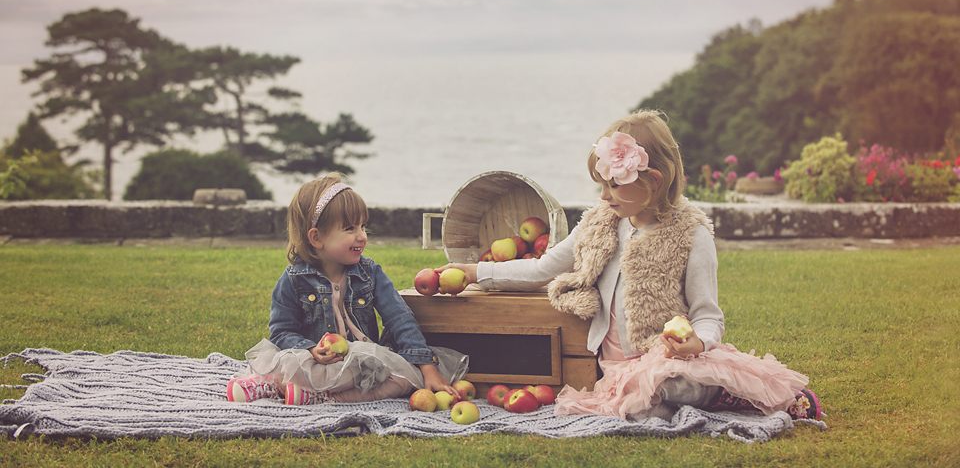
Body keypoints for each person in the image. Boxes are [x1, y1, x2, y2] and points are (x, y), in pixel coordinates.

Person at [439, 110, 821, 421]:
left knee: (670, 385)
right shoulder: (599, 224)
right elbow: (543, 268)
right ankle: (682, 399)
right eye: (601, 186)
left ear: (652, 181)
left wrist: (695, 343)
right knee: (639, 407)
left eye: (614, 186)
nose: (604, 197)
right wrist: (477, 272)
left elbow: (708, 316)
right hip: (615, 368)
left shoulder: (691, 235)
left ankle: (733, 395)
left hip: (669, 361)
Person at [227, 174, 467, 405]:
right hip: (318, 364)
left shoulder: (370, 273)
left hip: (365, 364)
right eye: (350, 228)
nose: (362, 236)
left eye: (363, 226)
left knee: (408, 380)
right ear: (317, 238)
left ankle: (320, 397)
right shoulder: (293, 280)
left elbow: (400, 320)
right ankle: (269, 382)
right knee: (291, 363)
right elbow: (281, 333)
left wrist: (428, 368)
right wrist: (311, 349)